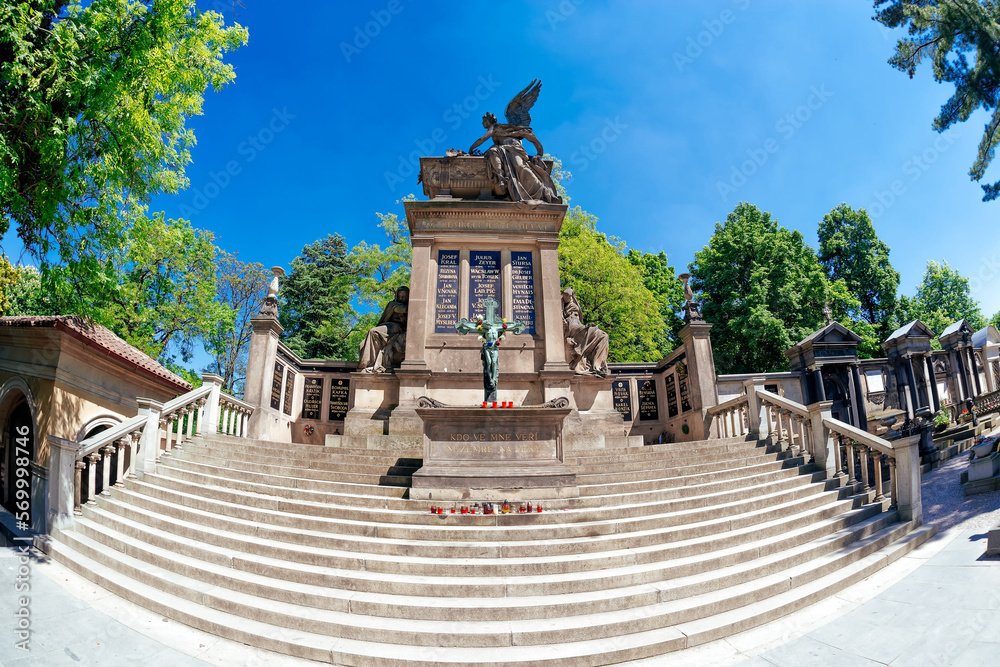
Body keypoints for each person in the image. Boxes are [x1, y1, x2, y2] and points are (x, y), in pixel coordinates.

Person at [468, 112, 560, 204]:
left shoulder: (495, 127)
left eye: (484, 121)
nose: (482, 123)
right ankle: (501, 178)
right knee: (494, 152)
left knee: (520, 166)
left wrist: (471, 148)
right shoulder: (497, 133)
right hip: (503, 149)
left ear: (490, 121)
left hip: (513, 147)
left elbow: (482, 139)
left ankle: (545, 194)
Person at [358, 286, 409, 373]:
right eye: (399, 296)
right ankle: (368, 364)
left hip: (399, 328)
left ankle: (368, 363)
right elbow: (400, 309)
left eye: (403, 297)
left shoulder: (409, 305)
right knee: (371, 334)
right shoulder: (392, 304)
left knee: (373, 332)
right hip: (389, 326)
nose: (401, 298)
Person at [561, 287, 609, 377]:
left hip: (578, 325)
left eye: (576, 312)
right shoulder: (567, 314)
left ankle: (597, 366)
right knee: (598, 333)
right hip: (573, 326)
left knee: (604, 336)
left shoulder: (573, 304)